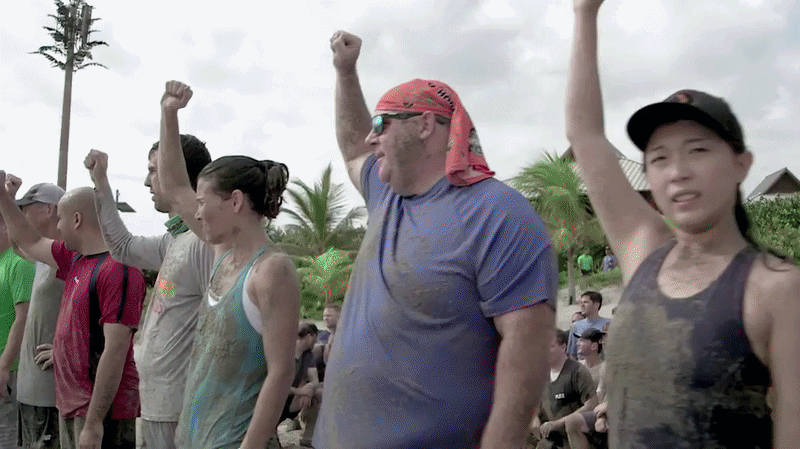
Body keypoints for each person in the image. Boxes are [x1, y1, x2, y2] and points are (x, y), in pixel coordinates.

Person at [566, 0, 800, 447]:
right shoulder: (645, 248)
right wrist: (584, 13)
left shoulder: (775, 287)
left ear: (741, 164)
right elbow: (585, 136)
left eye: (698, 150)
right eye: (659, 158)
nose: (678, 172)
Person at [315, 31, 557, 449]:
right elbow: (355, 146)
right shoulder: (387, 195)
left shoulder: (497, 213)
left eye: (382, 124)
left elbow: (526, 354)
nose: (372, 138)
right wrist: (346, 72)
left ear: (426, 124)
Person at [155, 81, 299, 449]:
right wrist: (168, 113)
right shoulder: (223, 256)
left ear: (235, 202)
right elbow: (173, 186)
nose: (197, 212)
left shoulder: (271, 271)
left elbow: (281, 372)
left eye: (204, 201)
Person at [83, 134, 214, 449]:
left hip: (183, 409)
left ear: (178, 175)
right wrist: (100, 181)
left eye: (154, 170)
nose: (146, 181)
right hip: (159, 406)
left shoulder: (205, 245)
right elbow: (123, 247)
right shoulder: (175, 241)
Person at [0, 175, 145, 449]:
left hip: (102, 413)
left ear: (77, 220)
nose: (57, 226)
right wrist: (2, 196)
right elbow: (28, 240)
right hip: (73, 405)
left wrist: (93, 424)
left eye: (61, 219)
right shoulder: (76, 259)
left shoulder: (118, 269)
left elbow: (115, 350)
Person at [9, 179, 65, 449]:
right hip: (31, 389)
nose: (23, 215)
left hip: (50, 393)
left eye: (26, 207)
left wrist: (65, 349)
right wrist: (7, 195)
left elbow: (96, 318)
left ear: (49, 210)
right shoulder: (44, 255)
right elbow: (15, 240)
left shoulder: (69, 256)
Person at [0, 203, 35, 448]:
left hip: (8, 369)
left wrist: (3, 365)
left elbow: (24, 317)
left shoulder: (19, 264)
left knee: (7, 436)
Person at [530, 329, 596, 449]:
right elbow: (535, 403)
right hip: (548, 438)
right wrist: (534, 419)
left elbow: (591, 404)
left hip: (572, 437)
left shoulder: (577, 371)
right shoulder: (541, 375)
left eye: (551, 346)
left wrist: (559, 423)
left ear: (563, 347)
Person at [280, 323, 322, 448]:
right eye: (315, 337)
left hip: (292, 398)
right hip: (276, 398)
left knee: (318, 394)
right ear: (310, 336)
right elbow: (278, 385)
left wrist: (309, 391)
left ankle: (308, 436)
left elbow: (315, 381)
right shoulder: (285, 351)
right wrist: (301, 392)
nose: (316, 341)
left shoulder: (308, 355)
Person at [566, 292, 609, 359]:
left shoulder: (608, 324)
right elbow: (572, 354)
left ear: (596, 305)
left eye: (586, 302)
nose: (582, 305)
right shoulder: (576, 326)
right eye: (581, 303)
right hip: (582, 367)